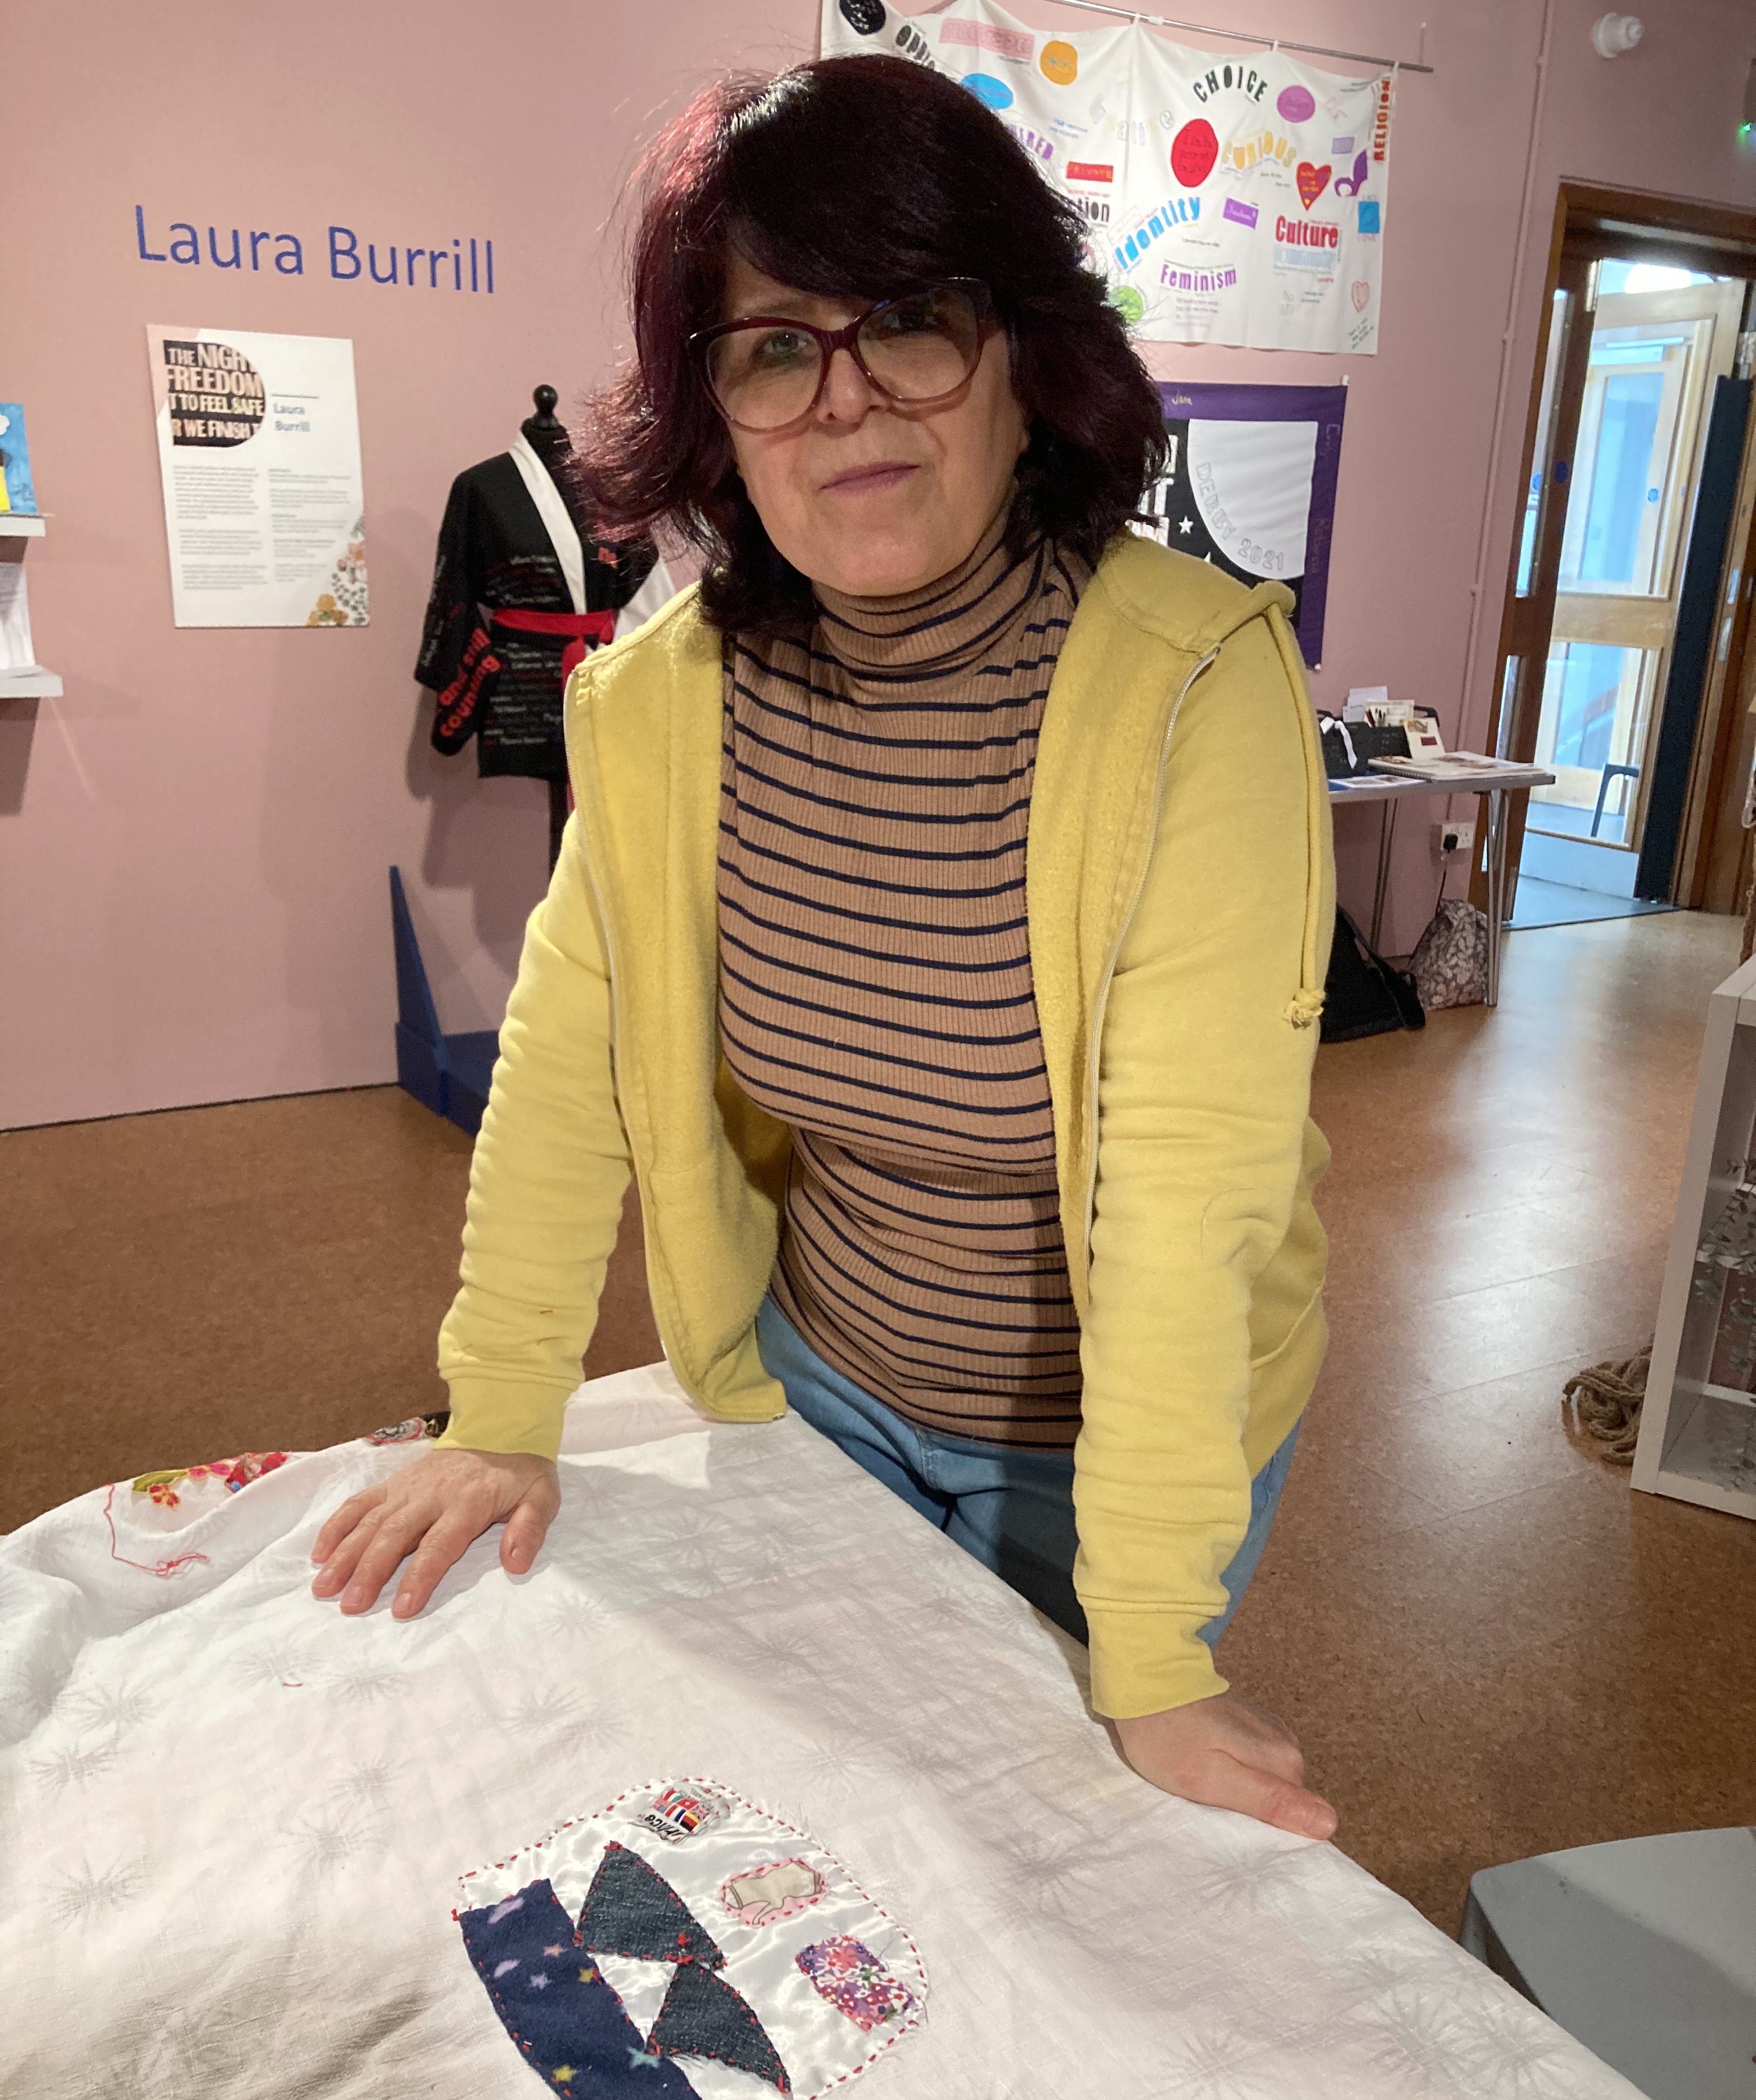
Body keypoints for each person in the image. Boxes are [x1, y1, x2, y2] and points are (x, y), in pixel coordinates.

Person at [312, 55, 1338, 1840]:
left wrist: (1157, 1648)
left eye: (912, 321)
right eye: (777, 346)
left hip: (1110, 1444)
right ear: (717, 411)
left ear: (1022, 353)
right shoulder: (665, 702)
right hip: (819, 1379)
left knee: (1031, 1850)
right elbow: (563, 1076)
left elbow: (1192, 1200)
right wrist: (500, 1412)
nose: (848, 399)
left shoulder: (1195, 687)